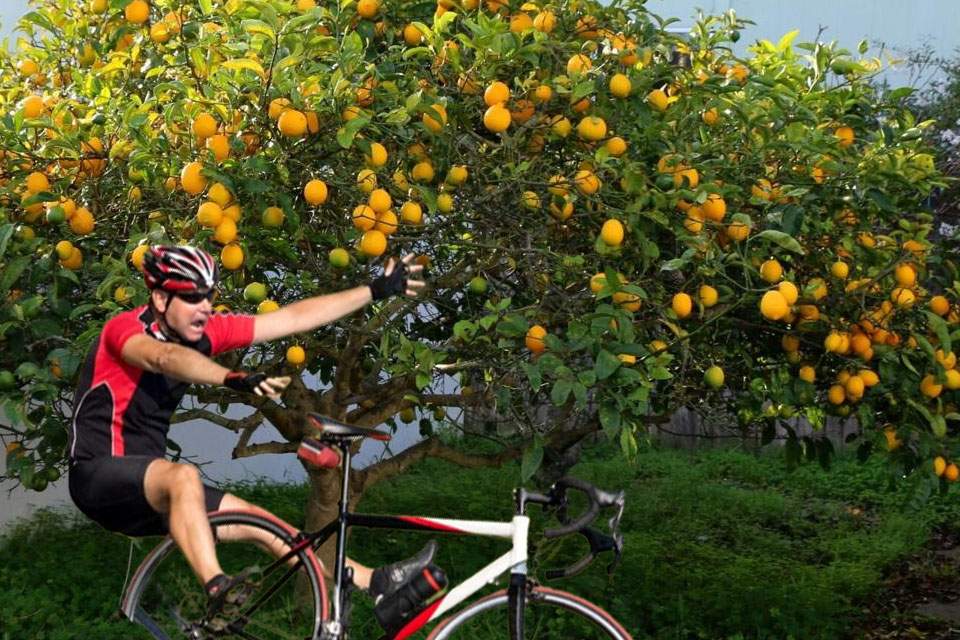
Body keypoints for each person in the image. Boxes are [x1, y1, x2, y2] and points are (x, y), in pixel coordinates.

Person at [67, 244, 432, 626]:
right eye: (192, 297)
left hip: (153, 491)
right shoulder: (123, 330)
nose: (205, 307)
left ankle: (374, 581)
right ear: (159, 298)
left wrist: (374, 290)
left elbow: (294, 318)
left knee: (262, 523)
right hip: (98, 475)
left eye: (209, 296)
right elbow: (164, 358)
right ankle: (217, 587)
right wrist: (230, 377)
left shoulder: (207, 332)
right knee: (182, 475)